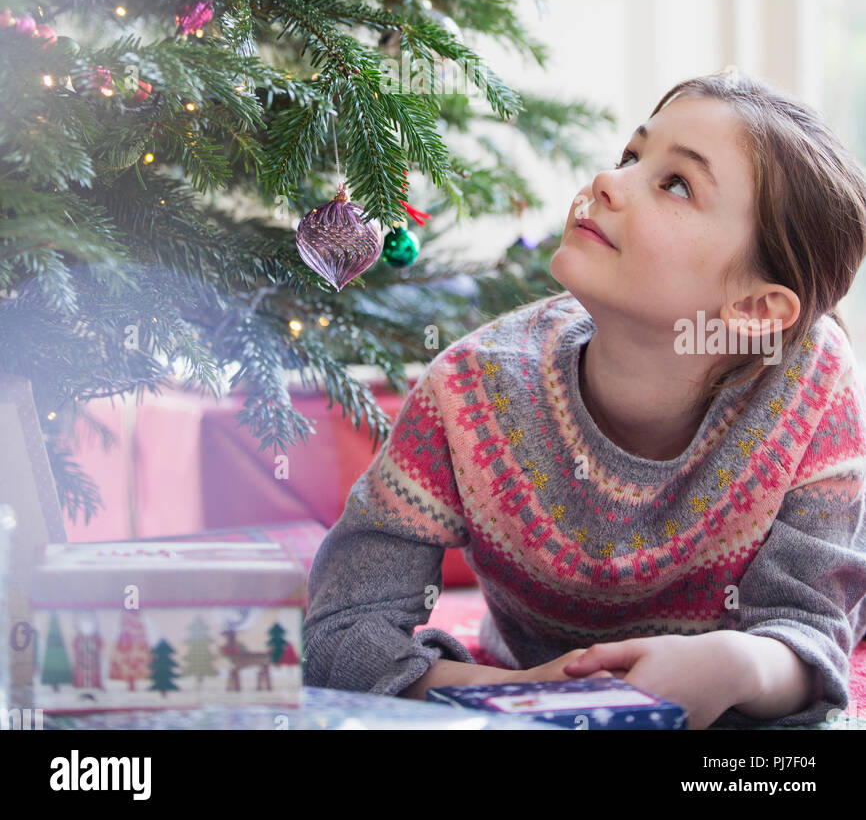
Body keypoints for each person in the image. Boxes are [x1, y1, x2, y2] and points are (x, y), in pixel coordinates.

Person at [302, 69, 866, 729]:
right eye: (630, 156)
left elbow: (811, 633)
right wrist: (529, 694)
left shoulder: (812, 381)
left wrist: (732, 665)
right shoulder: (471, 390)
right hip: (523, 662)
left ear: (754, 308)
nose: (606, 180)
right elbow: (339, 634)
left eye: (675, 183)